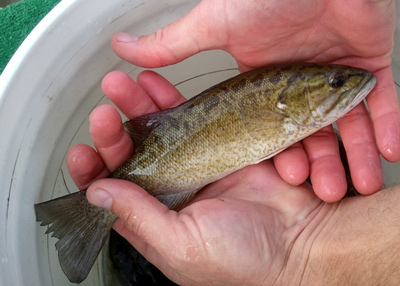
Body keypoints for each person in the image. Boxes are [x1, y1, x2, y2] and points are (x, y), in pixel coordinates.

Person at [67, 0, 400, 285]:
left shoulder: (292, 112)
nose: (346, 84)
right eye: (336, 82)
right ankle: (84, 214)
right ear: (286, 101)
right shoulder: (282, 110)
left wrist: (298, 260)